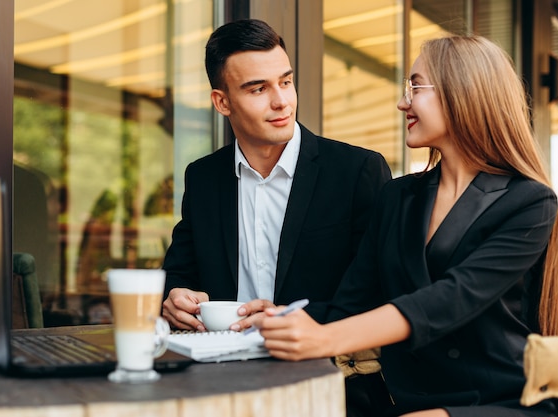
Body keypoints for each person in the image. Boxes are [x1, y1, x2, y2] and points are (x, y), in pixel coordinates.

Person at [253, 35, 558, 417]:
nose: (403, 102)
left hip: (499, 403)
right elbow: (351, 304)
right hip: (409, 404)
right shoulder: (397, 197)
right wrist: (275, 317)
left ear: (462, 93)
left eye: (416, 87)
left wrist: (322, 339)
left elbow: (449, 299)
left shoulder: (528, 202)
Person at [160, 19, 392, 417]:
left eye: (285, 82)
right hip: (218, 384)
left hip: (330, 383)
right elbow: (180, 272)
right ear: (222, 102)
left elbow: (376, 293)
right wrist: (176, 297)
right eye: (258, 88)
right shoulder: (203, 177)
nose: (281, 101)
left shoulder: (357, 172)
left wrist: (283, 319)